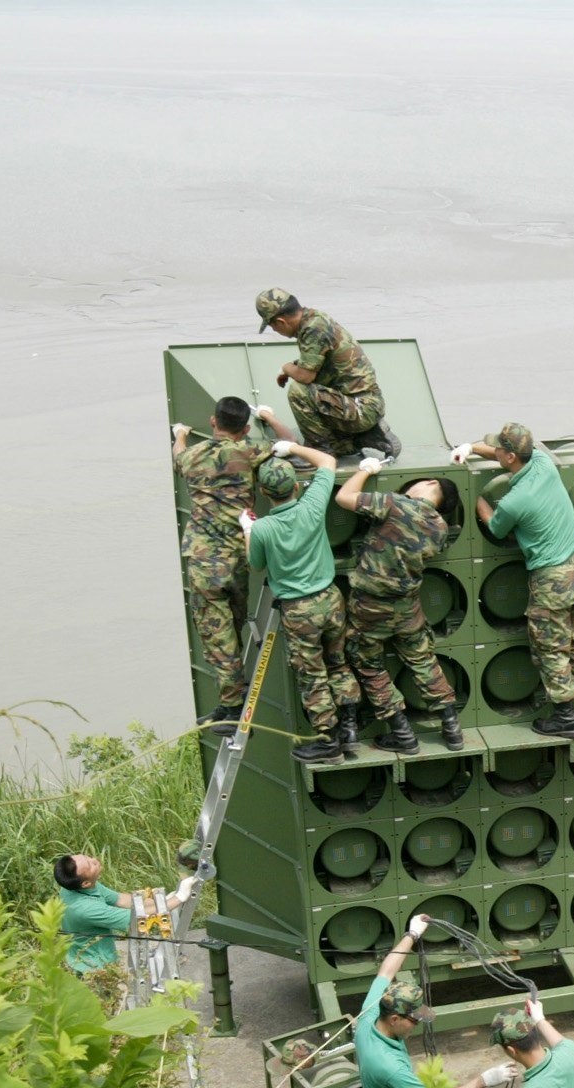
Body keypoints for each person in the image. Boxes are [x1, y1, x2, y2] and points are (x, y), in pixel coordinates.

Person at [458, 423, 574, 739]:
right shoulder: (543, 464)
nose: (493, 451)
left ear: (509, 456)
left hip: (552, 580)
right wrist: (470, 447)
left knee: (551, 648)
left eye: (497, 449)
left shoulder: (514, 501)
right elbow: (503, 455)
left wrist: (476, 497)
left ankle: (565, 718)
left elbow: (495, 527)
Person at [241, 443, 361, 762]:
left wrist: (248, 529)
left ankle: (328, 740)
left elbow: (255, 565)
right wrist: (291, 446)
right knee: (337, 661)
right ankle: (349, 730)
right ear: (296, 486)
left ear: (264, 492)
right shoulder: (311, 505)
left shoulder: (264, 528)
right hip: (331, 600)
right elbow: (328, 460)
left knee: (312, 673)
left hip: (299, 611)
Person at [353, 918, 517, 1088]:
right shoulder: (390, 1067)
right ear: (394, 1019)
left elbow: (387, 971)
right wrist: (485, 1080)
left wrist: (412, 934)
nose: (417, 1025)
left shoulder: (370, 1015)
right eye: (414, 1020)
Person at [332, 468, 463, 753]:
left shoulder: (393, 503)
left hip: (370, 606)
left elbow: (344, 497)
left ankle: (402, 733)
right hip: (407, 607)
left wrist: (365, 470)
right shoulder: (440, 528)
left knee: (370, 667)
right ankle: (452, 727)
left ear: (430, 481)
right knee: (423, 661)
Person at [169, 398, 267, 737]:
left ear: (213, 421)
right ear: (246, 429)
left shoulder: (193, 455)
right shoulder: (250, 453)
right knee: (234, 628)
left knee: (217, 636)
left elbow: (178, 456)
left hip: (205, 561)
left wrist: (181, 434)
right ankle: (231, 702)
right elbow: (290, 450)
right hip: (239, 560)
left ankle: (231, 709)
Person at [253, 288, 396, 458]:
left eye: (272, 326)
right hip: (363, 404)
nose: (275, 331)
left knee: (298, 391)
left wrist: (286, 368)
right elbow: (318, 363)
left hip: (361, 409)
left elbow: (306, 376)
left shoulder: (313, 329)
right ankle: (363, 438)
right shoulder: (314, 319)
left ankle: (321, 452)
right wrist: (294, 367)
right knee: (338, 442)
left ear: (281, 322)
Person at [50, 855, 192, 973]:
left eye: (88, 857)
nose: (94, 859)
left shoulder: (76, 887)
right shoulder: (85, 909)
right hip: (93, 967)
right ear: (85, 883)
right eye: (90, 864)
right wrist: (180, 897)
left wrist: (162, 901)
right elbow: (136, 917)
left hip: (85, 954)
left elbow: (123, 900)